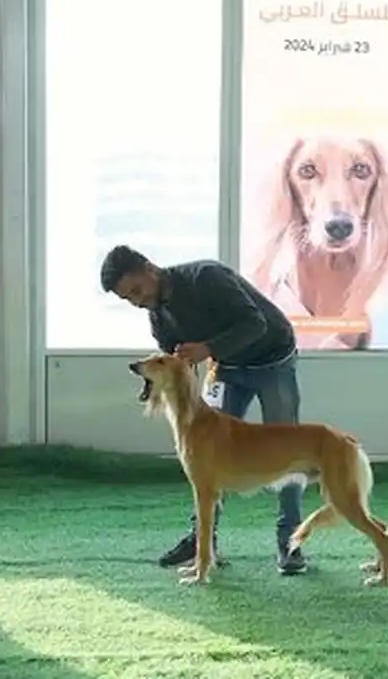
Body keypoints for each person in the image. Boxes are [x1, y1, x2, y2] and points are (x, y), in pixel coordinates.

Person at [100, 244, 310, 575]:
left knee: (287, 454)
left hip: (274, 359)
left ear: (150, 268)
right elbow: (176, 368)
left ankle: (290, 541)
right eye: (128, 299)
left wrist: (207, 348)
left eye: (137, 290)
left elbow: (255, 324)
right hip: (227, 369)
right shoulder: (159, 319)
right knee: (206, 455)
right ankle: (202, 542)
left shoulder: (207, 277)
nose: (137, 301)